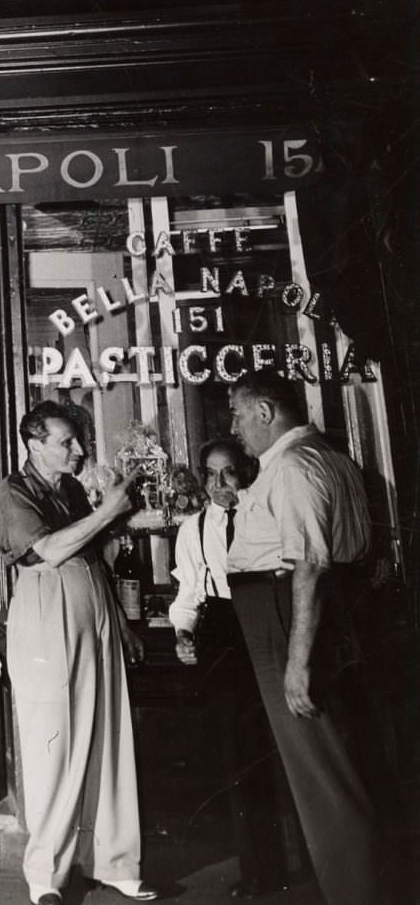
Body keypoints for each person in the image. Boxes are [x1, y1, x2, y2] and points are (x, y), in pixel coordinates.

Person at [226, 370, 390, 905]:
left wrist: (296, 660)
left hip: (287, 615)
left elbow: (311, 563)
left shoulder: (294, 466)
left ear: (266, 412)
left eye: (238, 414)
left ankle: (354, 893)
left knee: (321, 772)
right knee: (334, 764)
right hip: (315, 612)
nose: (235, 427)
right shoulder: (329, 458)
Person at [0, 402, 156, 905]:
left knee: (109, 735)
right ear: (34, 443)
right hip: (48, 613)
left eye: (77, 441)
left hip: (95, 611)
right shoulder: (12, 490)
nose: (78, 450)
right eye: (66, 442)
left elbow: (90, 557)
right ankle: (45, 875)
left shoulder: (67, 488)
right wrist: (109, 510)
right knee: (55, 744)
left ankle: (113, 860)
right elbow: (49, 550)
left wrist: (122, 625)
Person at [170, 439, 286, 898]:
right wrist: (183, 634)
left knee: (280, 747)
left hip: (267, 621)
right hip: (222, 631)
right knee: (239, 754)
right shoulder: (193, 529)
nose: (220, 485)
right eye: (211, 475)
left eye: (229, 473)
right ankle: (258, 866)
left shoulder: (266, 513)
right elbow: (188, 595)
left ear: (247, 471)